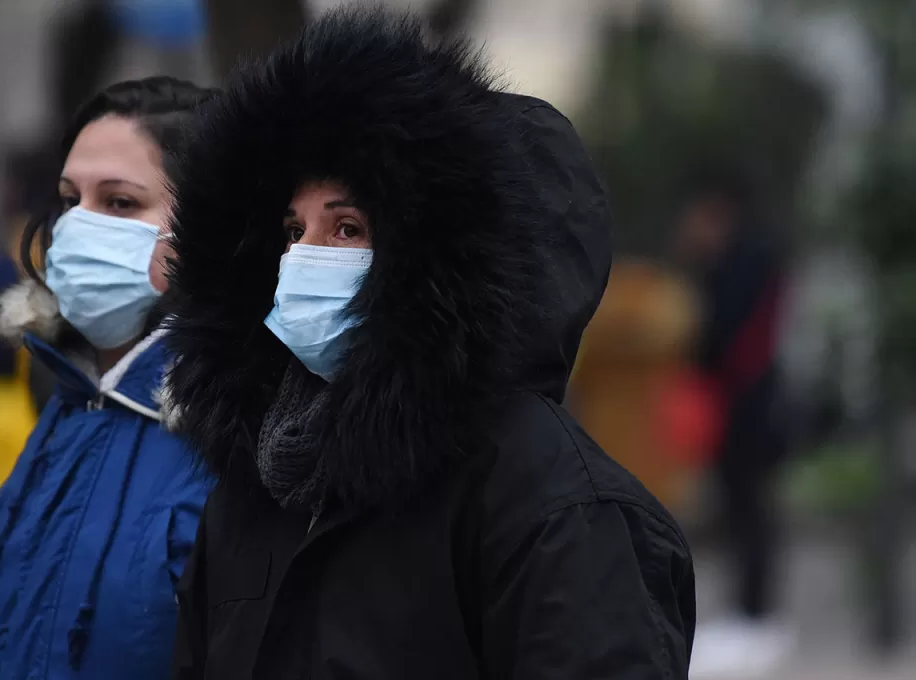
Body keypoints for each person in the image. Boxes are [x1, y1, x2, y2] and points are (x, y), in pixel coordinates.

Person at [164, 10, 695, 678]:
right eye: (293, 230)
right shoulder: (259, 483)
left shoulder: (553, 502)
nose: (301, 258)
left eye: (347, 228)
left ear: (434, 262)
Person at [0, 76, 219, 680]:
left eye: (120, 202)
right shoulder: (64, 399)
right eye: (70, 198)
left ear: (207, 228)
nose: (78, 225)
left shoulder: (237, 434)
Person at [674, 167, 794, 678]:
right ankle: (748, 611)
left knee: (752, 510)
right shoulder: (731, 262)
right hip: (739, 404)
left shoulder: (749, 262)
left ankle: (758, 615)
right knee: (740, 508)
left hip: (750, 406)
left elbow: (721, 338)